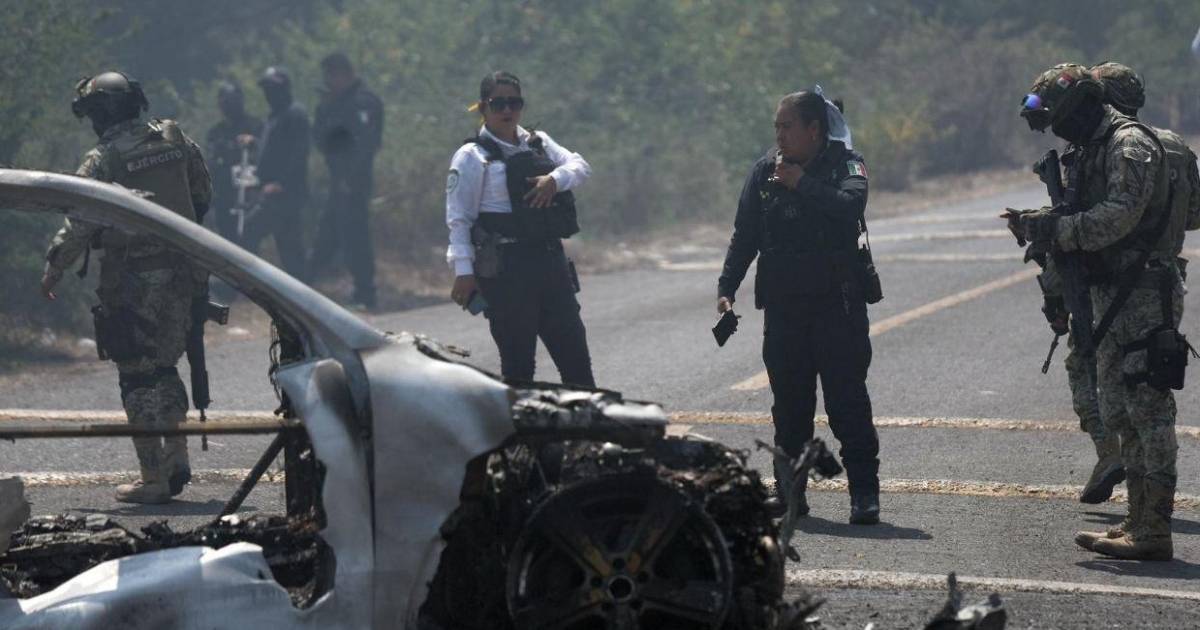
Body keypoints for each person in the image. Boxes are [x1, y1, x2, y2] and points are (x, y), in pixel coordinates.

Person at [1005, 62, 1200, 510]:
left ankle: (1151, 521)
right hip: (1122, 282)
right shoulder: (1149, 146)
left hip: (1139, 288)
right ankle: (1139, 518)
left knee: (1144, 404)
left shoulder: (1127, 146)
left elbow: (1112, 217)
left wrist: (1055, 230)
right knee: (1119, 404)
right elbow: (1194, 215)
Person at [40, 71, 212, 504]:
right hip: (184, 270)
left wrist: (54, 268)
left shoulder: (102, 159)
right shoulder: (175, 139)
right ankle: (176, 456)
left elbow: (79, 223)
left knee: (136, 373)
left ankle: (153, 478)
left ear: (100, 114)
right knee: (166, 364)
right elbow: (202, 194)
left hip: (134, 279)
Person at [717, 89, 880, 524]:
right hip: (785, 310)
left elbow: (850, 205)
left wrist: (801, 183)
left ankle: (864, 495)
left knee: (847, 404)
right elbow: (744, 235)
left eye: (787, 126)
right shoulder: (763, 172)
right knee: (789, 410)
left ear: (814, 130)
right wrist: (727, 287)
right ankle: (791, 494)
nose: (780, 135)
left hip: (837, 309)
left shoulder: (847, 165)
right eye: (777, 127)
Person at [445, 71, 595, 387]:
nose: (507, 111)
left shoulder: (538, 142)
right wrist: (463, 271)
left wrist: (554, 180)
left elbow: (580, 166)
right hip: (506, 271)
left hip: (550, 262)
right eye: (497, 103)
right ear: (482, 107)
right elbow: (459, 219)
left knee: (577, 363)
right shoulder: (472, 156)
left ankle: (588, 420)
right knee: (518, 370)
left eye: (514, 103)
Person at [308, 52, 384, 309]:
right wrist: (325, 108)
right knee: (328, 235)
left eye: (331, 75)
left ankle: (366, 293)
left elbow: (366, 144)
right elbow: (322, 141)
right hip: (337, 180)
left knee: (355, 235)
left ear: (343, 73)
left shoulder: (364, 102)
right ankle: (306, 285)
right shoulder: (334, 103)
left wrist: (350, 179)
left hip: (355, 182)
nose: (328, 82)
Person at [241, 66, 309, 278]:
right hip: (271, 191)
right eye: (267, 89)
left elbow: (299, 153)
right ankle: (299, 289)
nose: (269, 93)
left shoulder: (295, 113)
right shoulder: (274, 116)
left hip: (284, 193)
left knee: (250, 230)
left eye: (273, 88)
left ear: (285, 88)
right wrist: (254, 143)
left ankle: (249, 282)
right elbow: (273, 150)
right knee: (289, 248)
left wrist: (281, 183)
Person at [204, 81, 262, 243]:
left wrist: (253, 142)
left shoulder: (254, 125)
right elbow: (210, 161)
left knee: (249, 238)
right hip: (224, 194)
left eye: (232, 101)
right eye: (225, 102)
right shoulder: (216, 132)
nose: (229, 106)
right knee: (226, 238)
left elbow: (267, 152)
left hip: (248, 192)